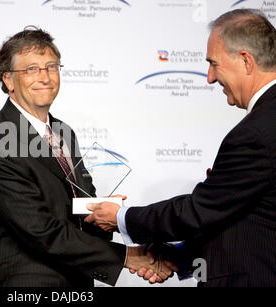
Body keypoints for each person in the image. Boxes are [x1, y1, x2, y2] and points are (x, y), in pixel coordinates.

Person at [85, 9, 276, 287]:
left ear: (246, 60)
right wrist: (183, 255)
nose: (210, 77)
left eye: (214, 64)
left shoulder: (257, 132)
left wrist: (122, 217)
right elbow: (245, 220)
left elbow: (199, 210)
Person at [0, 27, 175, 287]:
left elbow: (71, 202)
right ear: (8, 80)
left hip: (73, 281)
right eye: (31, 69)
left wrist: (100, 211)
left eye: (51, 66)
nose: (45, 77)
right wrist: (129, 256)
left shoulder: (62, 132)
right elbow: (41, 232)